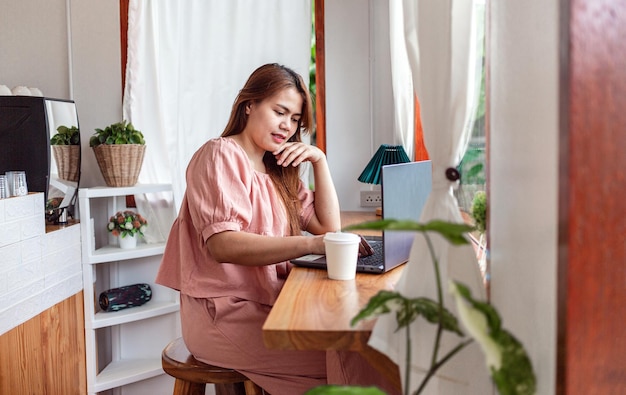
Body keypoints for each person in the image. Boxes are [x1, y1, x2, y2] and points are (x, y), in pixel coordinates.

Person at [156, 63, 398, 395]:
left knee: (364, 345)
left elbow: (329, 227)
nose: (287, 126)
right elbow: (223, 245)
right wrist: (310, 246)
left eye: (295, 119)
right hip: (224, 315)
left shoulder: (276, 168)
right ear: (249, 105)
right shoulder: (220, 155)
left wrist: (319, 160)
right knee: (360, 356)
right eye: (279, 112)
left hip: (272, 305)